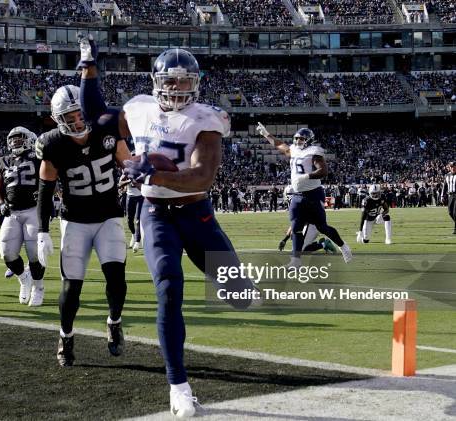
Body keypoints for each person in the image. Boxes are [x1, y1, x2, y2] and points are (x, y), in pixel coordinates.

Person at [80, 38, 257, 417]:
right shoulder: (139, 107)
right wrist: (88, 68)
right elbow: (96, 116)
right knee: (168, 287)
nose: (178, 88)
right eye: (171, 81)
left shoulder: (206, 119)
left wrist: (154, 171)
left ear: (196, 82)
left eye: (184, 81)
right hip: (156, 212)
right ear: (157, 81)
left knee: (239, 295)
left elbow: (202, 177)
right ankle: (178, 384)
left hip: (196, 215)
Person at [35, 82, 129, 367]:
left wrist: (142, 173)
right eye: (69, 117)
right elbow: (45, 190)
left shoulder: (107, 129)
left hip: (109, 215)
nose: (77, 121)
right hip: (74, 220)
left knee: (116, 278)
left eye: (80, 114)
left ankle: (114, 321)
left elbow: (129, 163)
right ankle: (66, 335)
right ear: (57, 120)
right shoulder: (52, 143)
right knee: (71, 287)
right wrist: (42, 231)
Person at [256, 124, 352, 267]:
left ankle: (343, 246)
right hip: (297, 194)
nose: (298, 141)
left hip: (313, 193)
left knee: (322, 227)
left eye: (301, 139)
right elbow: (280, 145)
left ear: (309, 140)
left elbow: (323, 171)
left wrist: (306, 176)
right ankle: (296, 261)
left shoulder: (314, 151)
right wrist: (266, 134)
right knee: (296, 228)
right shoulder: (294, 149)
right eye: (296, 138)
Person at [0, 126, 45, 306]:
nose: (15, 142)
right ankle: (24, 278)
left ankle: (38, 287)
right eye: (13, 139)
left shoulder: (37, 157)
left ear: (29, 139)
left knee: (34, 254)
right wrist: (0, 205)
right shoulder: (3, 161)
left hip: (32, 210)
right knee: (7, 253)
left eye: (20, 138)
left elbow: (49, 178)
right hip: (12, 212)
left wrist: (45, 197)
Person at [441, 161, 456, 234]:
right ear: (449, 168)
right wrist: (442, 196)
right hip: (450, 195)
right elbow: (445, 186)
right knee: (450, 212)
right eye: (451, 167)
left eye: (454, 166)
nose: (453, 168)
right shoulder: (447, 175)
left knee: (455, 212)